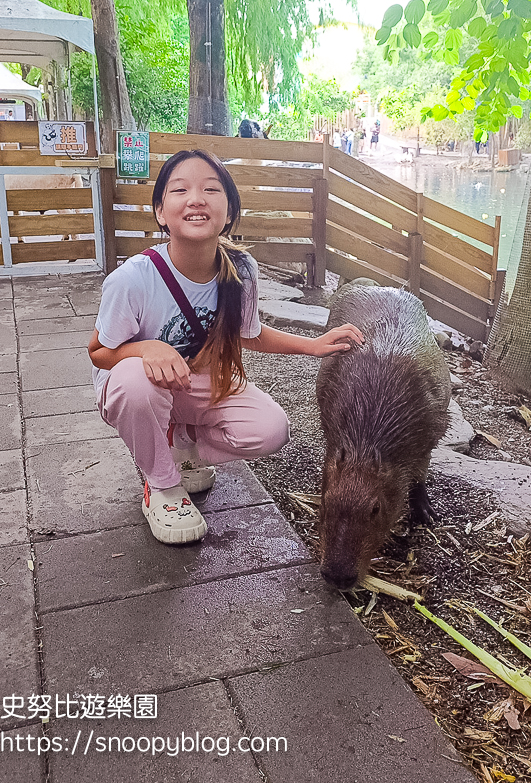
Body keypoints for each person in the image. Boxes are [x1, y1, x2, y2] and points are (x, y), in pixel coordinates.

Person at [88, 150, 363, 546]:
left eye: (211, 189)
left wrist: (311, 345)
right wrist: (147, 348)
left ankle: (179, 441)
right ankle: (162, 485)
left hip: (195, 382)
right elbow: (99, 352)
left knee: (271, 430)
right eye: (180, 189)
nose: (196, 199)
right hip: (138, 388)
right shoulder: (131, 280)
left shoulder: (241, 269)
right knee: (135, 380)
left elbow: (246, 334)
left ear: (229, 211)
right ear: (161, 212)